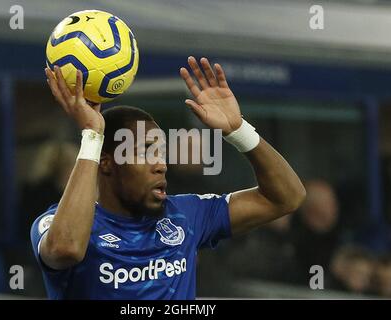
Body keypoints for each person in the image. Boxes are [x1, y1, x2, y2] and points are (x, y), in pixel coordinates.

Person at [30, 56, 306, 299]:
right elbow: (66, 249)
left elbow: (287, 198)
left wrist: (239, 130)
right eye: (145, 151)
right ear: (105, 163)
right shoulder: (55, 223)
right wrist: (91, 135)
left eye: (162, 152)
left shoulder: (187, 214)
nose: (161, 164)